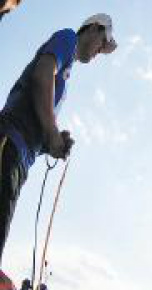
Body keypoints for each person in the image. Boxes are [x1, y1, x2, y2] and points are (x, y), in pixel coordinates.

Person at [0, 14, 117, 265]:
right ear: (94, 29)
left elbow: (39, 121)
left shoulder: (66, 73)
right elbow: (42, 76)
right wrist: (52, 133)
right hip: (8, 145)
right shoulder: (67, 38)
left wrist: (53, 143)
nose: (99, 52)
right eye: (102, 43)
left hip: (19, 158)